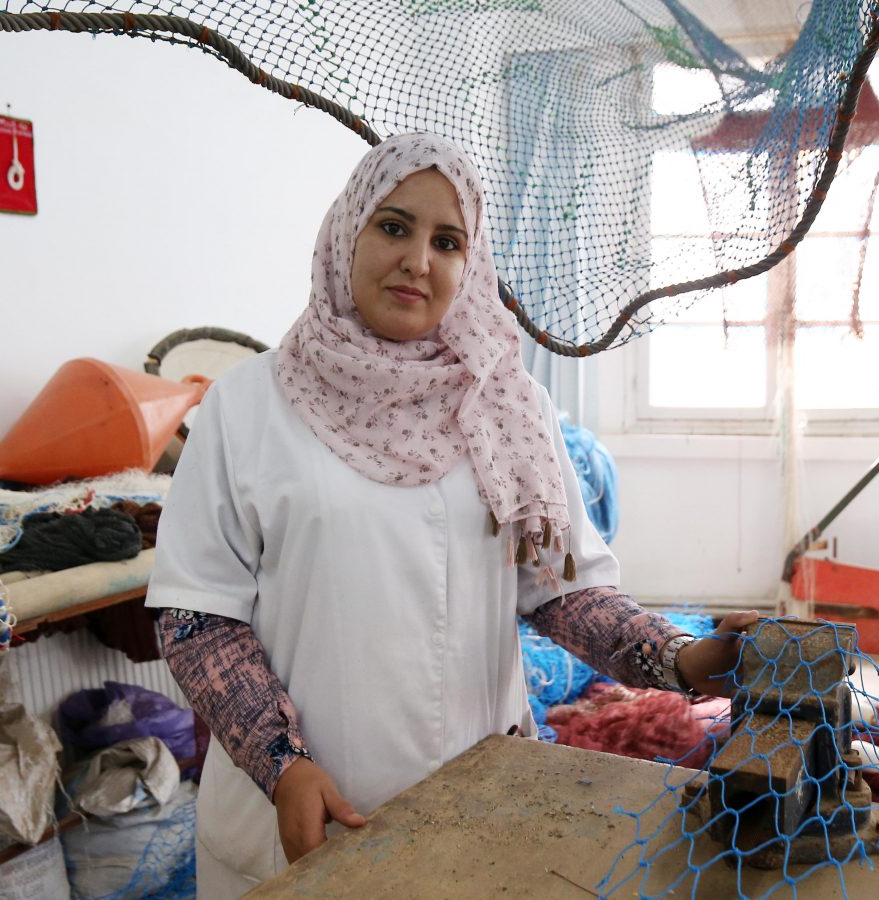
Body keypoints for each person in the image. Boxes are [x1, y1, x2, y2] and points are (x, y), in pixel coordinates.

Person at [145, 132, 757, 897]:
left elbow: (561, 590)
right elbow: (198, 618)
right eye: (394, 226)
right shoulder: (249, 405)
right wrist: (281, 762)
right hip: (307, 820)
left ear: (472, 267)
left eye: (448, 241)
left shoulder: (509, 407)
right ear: (346, 232)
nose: (418, 260)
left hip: (480, 803)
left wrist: (681, 660)